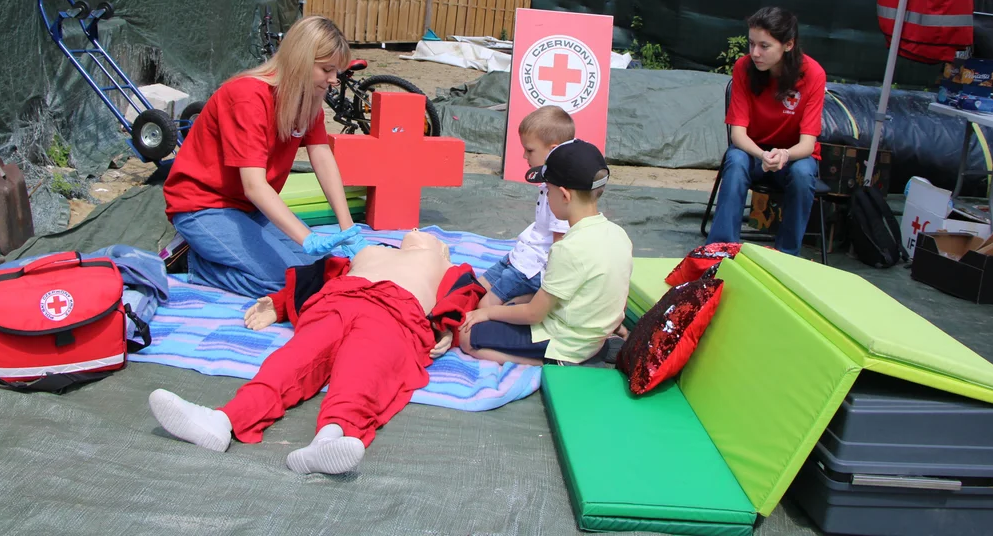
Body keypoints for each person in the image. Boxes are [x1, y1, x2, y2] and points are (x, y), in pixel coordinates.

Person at [147, 231, 478, 475]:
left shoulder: (445, 265)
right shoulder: (372, 250)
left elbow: (463, 295)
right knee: (291, 361)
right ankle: (222, 419)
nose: (416, 230)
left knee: (361, 372)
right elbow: (321, 276)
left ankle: (331, 436)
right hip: (336, 302)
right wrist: (278, 305)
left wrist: (445, 326)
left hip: (393, 314)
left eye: (428, 234)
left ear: (444, 250)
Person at [163, 16, 367, 298]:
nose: (333, 80)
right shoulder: (248, 97)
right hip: (202, 206)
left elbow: (322, 157)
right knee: (284, 284)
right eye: (327, 69)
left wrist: (349, 229)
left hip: (248, 209)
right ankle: (189, 261)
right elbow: (254, 185)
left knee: (315, 270)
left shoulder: (308, 102)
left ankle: (219, 252)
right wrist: (306, 237)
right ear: (300, 60)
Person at [459, 140, 633, 366]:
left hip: (566, 341)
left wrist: (488, 314)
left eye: (548, 191)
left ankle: (549, 362)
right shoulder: (618, 234)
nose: (546, 198)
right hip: (596, 330)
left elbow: (534, 315)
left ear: (564, 195)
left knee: (466, 336)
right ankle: (599, 345)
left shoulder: (567, 248)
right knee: (516, 301)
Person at [705, 6, 826, 256]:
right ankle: (719, 250)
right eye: (751, 44)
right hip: (753, 153)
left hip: (792, 157)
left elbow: (807, 144)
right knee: (736, 159)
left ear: (788, 45)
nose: (755, 53)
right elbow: (738, 135)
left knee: (805, 172)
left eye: (764, 46)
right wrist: (762, 155)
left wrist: (783, 155)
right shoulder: (743, 68)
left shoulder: (813, 74)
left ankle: (786, 255)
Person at [477, 105, 574, 309]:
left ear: (553, 149)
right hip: (521, 256)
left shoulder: (560, 195)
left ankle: (530, 299)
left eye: (529, 150)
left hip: (533, 267)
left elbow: (560, 247)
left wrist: (550, 294)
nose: (524, 156)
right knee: (476, 288)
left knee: (484, 307)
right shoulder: (548, 184)